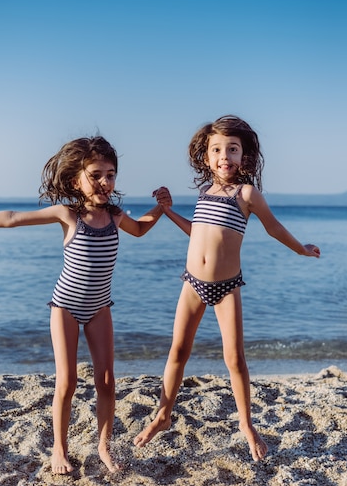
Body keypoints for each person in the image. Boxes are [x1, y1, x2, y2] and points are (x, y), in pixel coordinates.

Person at [0, 135, 170, 475]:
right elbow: (13, 218)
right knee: (68, 381)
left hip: (99, 308)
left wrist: (160, 208)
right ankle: (59, 450)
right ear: (77, 179)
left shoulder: (117, 217)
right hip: (65, 307)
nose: (105, 182)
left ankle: (103, 446)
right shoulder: (68, 214)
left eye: (110, 174)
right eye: (96, 174)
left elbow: (141, 229)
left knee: (107, 381)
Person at [134, 115, 320, 462]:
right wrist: (168, 212)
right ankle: (162, 414)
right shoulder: (205, 193)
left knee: (234, 359)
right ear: (206, 158)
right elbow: (199, 233)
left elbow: (273, 227)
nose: (225, 156)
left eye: (232, 149)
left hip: (226, 286)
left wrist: (301, 248)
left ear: (243, 156)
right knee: (178, 351)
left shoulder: (246, 193)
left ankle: (246, 424)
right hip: (192, 282)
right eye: (217, 150)